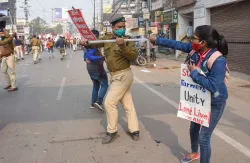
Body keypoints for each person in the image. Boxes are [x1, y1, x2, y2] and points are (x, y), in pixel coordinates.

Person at [149, 25, 228, 163]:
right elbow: (176, 44)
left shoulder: (218, 60)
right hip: (198, 100)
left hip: (215, 102)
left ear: (203, 42)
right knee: (193, 128)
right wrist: (157, 40)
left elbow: (213, 86)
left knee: (204, 137)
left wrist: (194, 73)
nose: (192, 41)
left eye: (194, 38)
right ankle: (194, 153)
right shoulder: (194, 50)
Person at [81, 17, 140, 144]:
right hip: (114, 76)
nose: (122, 29)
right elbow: (95, 43)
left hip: (124, 75)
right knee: (127, 103)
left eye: (123, 27)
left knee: (109, 103)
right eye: (119, 27)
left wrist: (122, 46)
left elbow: (133, 56)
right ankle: (134, 130)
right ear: (113, 28)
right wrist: (86, 42)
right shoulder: (107, 39)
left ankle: (112, 131)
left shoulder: (128, 40)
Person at [83, 29, 108, 111]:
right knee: (104, 84)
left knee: (96, 85)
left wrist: (85, 59)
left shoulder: (87, 43)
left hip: (90, 68)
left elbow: (85, 56)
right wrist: (101, 57)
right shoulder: (93, 44)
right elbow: (90, 56)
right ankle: (99, 101)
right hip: (96, 68)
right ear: (96, 36)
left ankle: (93, 103)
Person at [0, 13, 18, 92]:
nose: (2, 34)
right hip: (3, 57)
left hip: (10, 56)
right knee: (4, 71)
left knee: (12, 71)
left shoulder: (9, 39)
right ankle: (9, 83)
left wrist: (3, 28)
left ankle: (13, 86)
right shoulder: (3, 39)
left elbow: (4, 42)